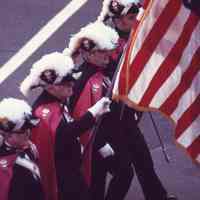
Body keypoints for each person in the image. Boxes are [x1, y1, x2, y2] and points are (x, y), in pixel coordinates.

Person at [97, 1, 178, 200]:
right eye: (131, 18)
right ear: (117, 19)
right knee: (124, 170)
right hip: (111, 117)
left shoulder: (135, 36)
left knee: (142, 159)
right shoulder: (109, 44)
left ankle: (156, 195)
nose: (135, 21)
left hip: (128, 111)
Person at [20, 51, 111, 200]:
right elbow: (65, 133)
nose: (71, 84)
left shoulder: (58, 101)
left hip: (72, 171)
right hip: (61, 179)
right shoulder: (44, 112)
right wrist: (93, 113)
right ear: (50, 87)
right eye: (65, 83)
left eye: (71, 80)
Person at [64, 21, 134, 200]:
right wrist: (100, 144)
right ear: (88, 54)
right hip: (94, 143)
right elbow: (82, 118)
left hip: (109, 137)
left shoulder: (102, 71)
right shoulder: (84, 81)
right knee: (101, 184)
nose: (107, 56)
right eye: (101, 52)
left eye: (107, 51)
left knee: (119, 174)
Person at [0, 97, 44, 200]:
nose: (28, 133)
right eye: (22, 131)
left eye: (28, 128)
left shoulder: (29, 147)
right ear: (8, 135)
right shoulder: (6, 168)